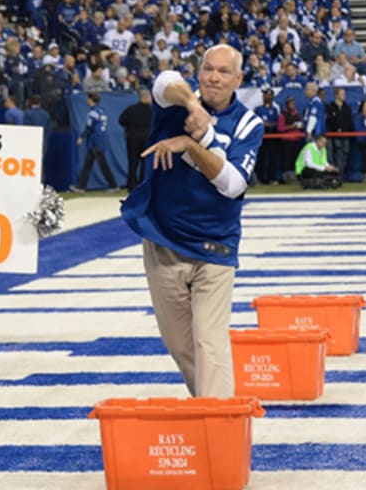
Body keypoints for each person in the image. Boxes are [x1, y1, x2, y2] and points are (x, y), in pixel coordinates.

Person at [121, 44, 264, 398]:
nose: (214, 77)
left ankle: (221, 426)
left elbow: (233, 185)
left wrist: (192, 142)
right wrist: (193, 106)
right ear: (199, 72)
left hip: (215, 245)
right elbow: (165, 80)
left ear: (238, 79)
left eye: (224, 72)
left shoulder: (249, 123)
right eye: (208, 69)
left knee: (210, 342)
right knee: (182, 345)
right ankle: (211, 409)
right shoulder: (176, 102)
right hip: (164, 240)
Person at [71, 92, 119, 192]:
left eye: (88, 99)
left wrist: (82, 137)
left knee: (102, 164)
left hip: (95, 141)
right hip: (100, 140)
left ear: (91, 99)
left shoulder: (93, 112)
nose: (86, 101)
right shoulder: (101, 111)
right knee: (88, 164)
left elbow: (89, 127)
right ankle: (80, 186)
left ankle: (113, 185)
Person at [118, 88, 152, 192]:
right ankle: (143, 183)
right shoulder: (152, 111)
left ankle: (131, 186)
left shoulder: (131, 109)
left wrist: (129, 128)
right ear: (147, 97)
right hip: (147, 137)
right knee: (145, 163)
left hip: (132, 137)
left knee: (133, 162)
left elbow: (121, 120)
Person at [253, 87, 281, 184]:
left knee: (272, 157)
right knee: (260, 157)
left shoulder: (275, 108)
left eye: (269, 95)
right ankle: (260, 178)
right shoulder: (258, 108)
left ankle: (272, 178)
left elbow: (279, 122)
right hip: (261, 136)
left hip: (272, 136)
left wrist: (269, 124)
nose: (267, 96)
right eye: (265, 94)